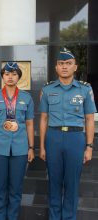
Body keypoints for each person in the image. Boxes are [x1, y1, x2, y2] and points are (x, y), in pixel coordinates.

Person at [39, 47, 96, 220]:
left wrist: (89, 146)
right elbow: (43, 119)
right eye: (61, 63)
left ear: (75, 67)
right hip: (53, 138)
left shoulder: (85, 90)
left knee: (72, 184)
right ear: (56, 67)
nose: (64, 67)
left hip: (75, 139)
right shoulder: (47, 90)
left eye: (68, 63)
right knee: (54, 183)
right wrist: (41, 146)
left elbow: (89, 119)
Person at [0, 62, 35, 220]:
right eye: (7, 74)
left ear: (18, 77)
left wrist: (31, 148)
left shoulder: (26, 98)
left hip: (20, 149)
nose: (10, 77)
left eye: (14, 74)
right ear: (2, 76)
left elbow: (29, 124)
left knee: (16, 188)